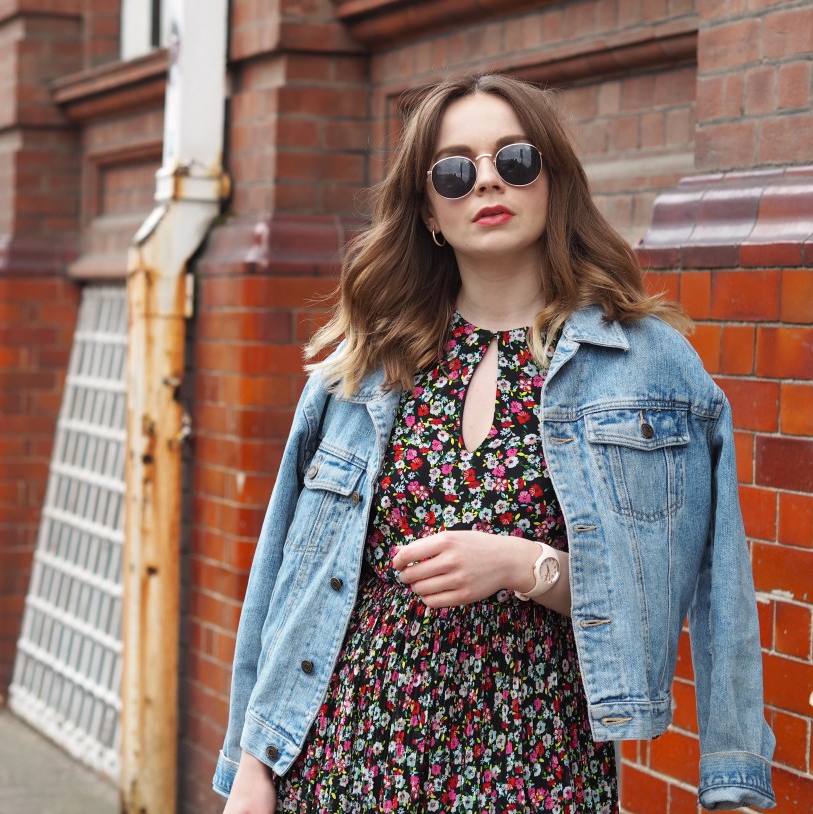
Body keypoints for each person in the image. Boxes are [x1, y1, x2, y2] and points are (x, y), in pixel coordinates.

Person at [213, 73, 776, 813]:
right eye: (454, 170)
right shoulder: (365, 368)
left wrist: (523, 564)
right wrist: (251, 764)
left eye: (514, 160)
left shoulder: (649, 369)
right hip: (344, 760)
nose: (486, 182)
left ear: (553, 182)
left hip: (534, 763)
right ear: (430, 212)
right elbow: (286, 576)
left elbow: (709, 585)